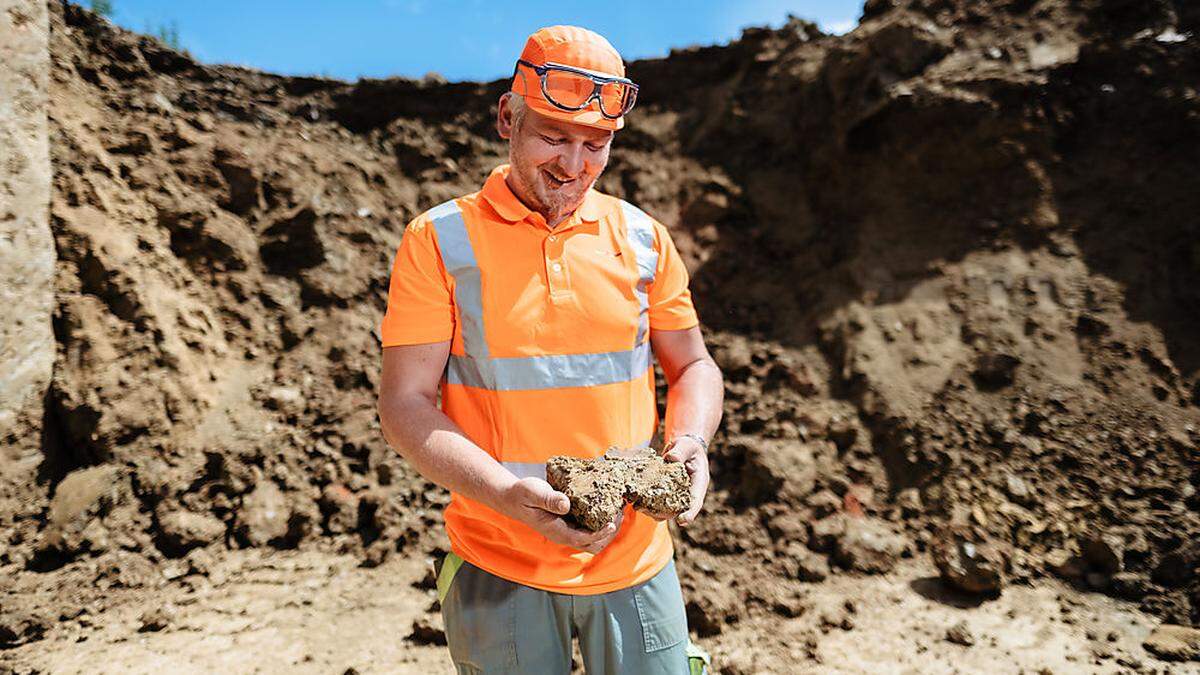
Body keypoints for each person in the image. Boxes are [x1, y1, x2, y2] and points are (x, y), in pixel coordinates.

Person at [377, 25, 724, 675]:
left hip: (634, 562)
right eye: (554, 137)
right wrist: (508, 493)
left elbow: (693, 365)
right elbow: (405, 403)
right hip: (498, 561)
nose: (574, 164)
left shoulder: (643, 240)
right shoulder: (439, 241)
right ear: (508, 118)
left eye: (595, 144)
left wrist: (692, 440)